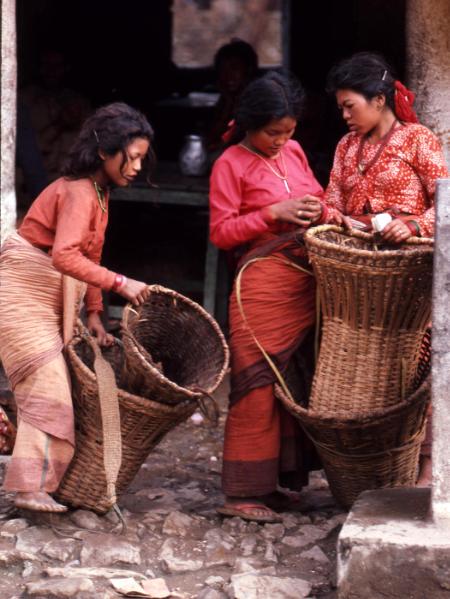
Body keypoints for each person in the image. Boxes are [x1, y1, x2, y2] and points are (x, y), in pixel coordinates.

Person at [0, 102, 153, 512]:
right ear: (105, 153)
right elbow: (66, 258)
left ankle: (41, 482)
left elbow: (92, 256)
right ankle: (28, 487)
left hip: (48, 288)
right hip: (23, 287)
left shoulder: (100, 195)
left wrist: (94, 314)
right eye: (132, 157)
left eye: (141, 159)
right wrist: (123, 283)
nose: (137, 167)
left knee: (53, 381)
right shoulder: (80, 192)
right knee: (46, 380)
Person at [323, 52, 449, 486]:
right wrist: (335, 219)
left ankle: (429, 468)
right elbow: (332, 204)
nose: (344, 116)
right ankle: (376, 471)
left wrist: (412, 224)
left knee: (419, 367)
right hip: (362, 282)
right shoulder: (345, 148)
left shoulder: (418, 140)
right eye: (340, 107)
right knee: (375, 374)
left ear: (379, 100)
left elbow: (446, 206)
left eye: (349, 106)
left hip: (410, 276)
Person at [209, 72, 328, 523]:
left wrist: (317, 207)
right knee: (255, 381)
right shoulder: (229, 164)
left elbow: (316, 193)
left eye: (289, 131)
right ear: (247, 124)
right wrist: (270, 214)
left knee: (293, 380)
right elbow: (221, 232)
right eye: (272, 132)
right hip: (259, 283)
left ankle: (276, 482)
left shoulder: (294, 152)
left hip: (304, 276)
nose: (282, 140)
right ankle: (241, 492)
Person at [207, 39, 259, 152]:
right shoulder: (226, 99)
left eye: (234, 68)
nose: (227, 75)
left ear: (248, 69)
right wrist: (228, 103)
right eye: (222, 70)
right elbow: (213, 138)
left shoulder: (259, 101)